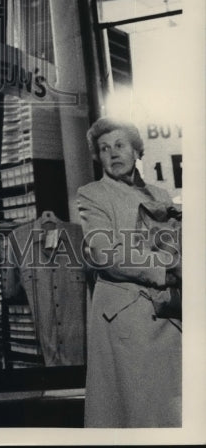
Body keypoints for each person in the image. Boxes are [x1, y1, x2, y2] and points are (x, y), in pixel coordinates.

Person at [76, 117, 182, 427]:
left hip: (168, 313)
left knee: (170, 412)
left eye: (120, 145)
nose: (113, 153)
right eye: (104, 148)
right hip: (126, 316)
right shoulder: (93, 193)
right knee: (136, 411)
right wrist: (165, 267)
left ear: (136, 150)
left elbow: (173, 246)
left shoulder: (160, 195)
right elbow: (104, 253)